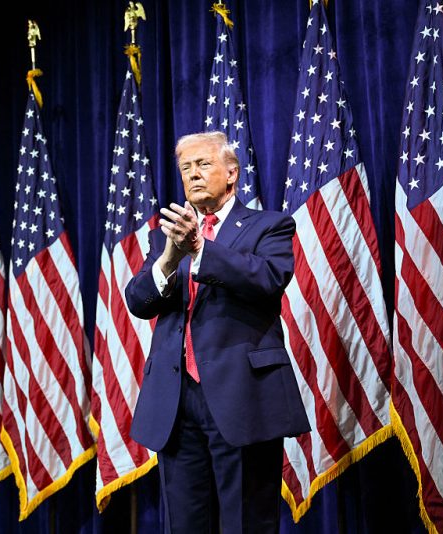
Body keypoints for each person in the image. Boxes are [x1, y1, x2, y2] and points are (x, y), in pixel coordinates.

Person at [125, 131, 310, 533]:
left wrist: (201, 250)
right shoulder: (165, 237)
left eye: (203, 164)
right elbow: (139, 301)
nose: (192, 174)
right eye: (185, 167)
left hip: (242, 396)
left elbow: (267, 279)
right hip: (176, 403)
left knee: (246, 524)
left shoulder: (269, 225)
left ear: (232, 174)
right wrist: (171, 258)